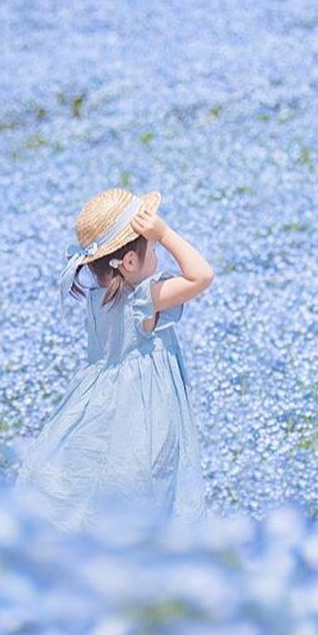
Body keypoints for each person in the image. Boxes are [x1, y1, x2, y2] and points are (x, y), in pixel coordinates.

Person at [14, 186, 214, 535]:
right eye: (151, 248)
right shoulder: (145, 299)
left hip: (99, 399)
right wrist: (165, 233)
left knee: (98, 471)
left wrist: (153, 238)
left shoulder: (98, 297)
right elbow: (202, 275)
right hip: (147, 409)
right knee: (149, 480)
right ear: (132, 262)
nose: (157, 252)